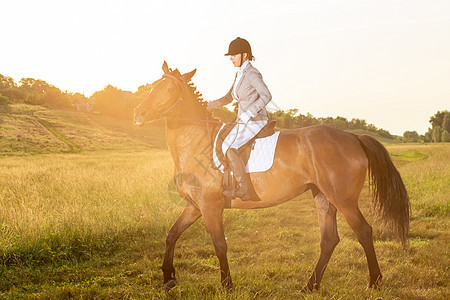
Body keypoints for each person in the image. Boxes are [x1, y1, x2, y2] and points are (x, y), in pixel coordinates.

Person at [207, 37, 272, 201]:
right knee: (222, 143)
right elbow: (229, 97)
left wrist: (250, 113)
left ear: (244, 55)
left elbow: (266, 95)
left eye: (234, 55)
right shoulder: (239, 74)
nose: (231, 58)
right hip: (243, 121)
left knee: (230, 147)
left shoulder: (252, 74)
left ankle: (244, 189)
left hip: (255, 120)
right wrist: (207, 105)